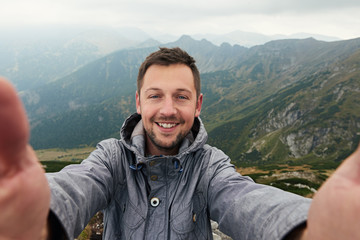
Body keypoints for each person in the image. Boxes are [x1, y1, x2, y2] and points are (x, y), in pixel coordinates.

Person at [0, 47, 360, 240]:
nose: (168, 110)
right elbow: (77, 185)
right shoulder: (110, 159)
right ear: (139, 103)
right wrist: (38, 218)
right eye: (155, 96)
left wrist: (306, 228)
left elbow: (246, 201)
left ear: (198, 104)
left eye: (181, 97)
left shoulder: (210, 166)